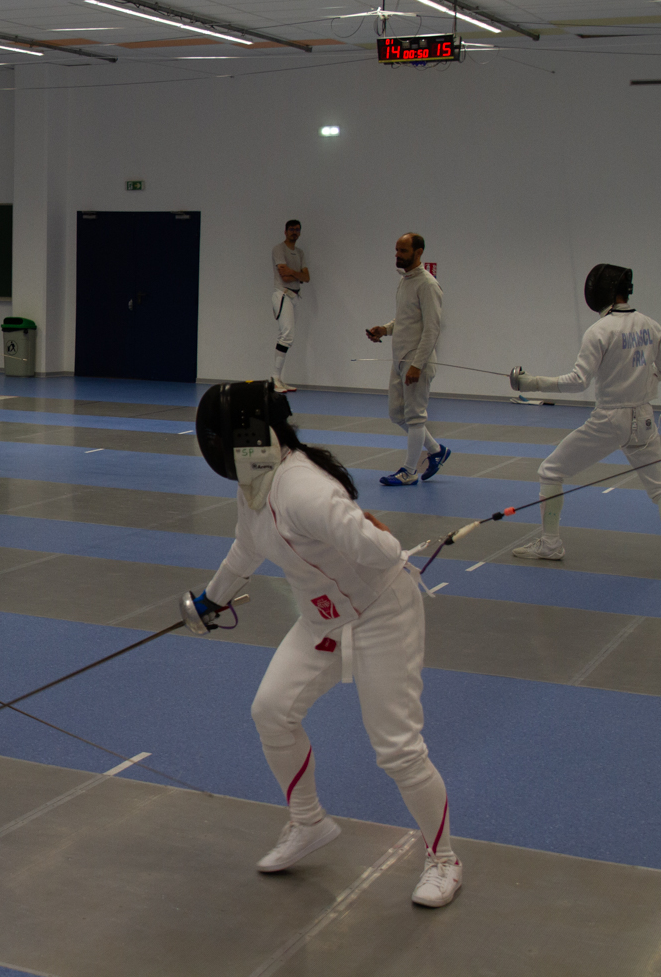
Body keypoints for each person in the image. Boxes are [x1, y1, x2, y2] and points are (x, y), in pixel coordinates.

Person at [185, 380, 461, 907]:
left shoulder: (304, 490)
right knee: (271, 712)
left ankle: (444, 858)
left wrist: (364, 530)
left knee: (398, 750)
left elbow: (385, 551)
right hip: (322, 619)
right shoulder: (256, 481)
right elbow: (247, 546)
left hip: (381, 613)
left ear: (247, 439)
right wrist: (210, 599)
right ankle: (308, 822)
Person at [509, 264, 661, 573]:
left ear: (601, 292)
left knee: (550, 471)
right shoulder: (651, 325)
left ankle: (550, 544)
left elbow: (579, 381)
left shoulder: (599, 330)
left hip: (610, 419)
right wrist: (648, 372)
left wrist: (533, 383)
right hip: (644, 419)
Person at [365, 233, 452, 486]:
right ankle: (437, 451)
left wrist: (417, 364)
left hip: (417, 361)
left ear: (418, 252)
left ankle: (409, 471)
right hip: (400, 360)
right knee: (397, 414)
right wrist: (384, 329)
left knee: (415, 417)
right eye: (396, 250)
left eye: (403, 251)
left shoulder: (428, 284)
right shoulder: (405, 281)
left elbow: (432, 329)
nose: (397, 255)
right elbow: (405, 320)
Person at [271, 220, 309, 394]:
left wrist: (292, 272)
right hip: (282, 294)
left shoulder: (300, 253)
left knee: (287, 336)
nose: (295, 232)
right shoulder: (279, 249)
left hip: (295, 296)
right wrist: (298, 275)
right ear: (285, 231)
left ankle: (278, 379)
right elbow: (284, 277)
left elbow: (307, 278)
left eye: (297, 229)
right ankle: (274, 378)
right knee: (286, 336)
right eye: (292, 229)